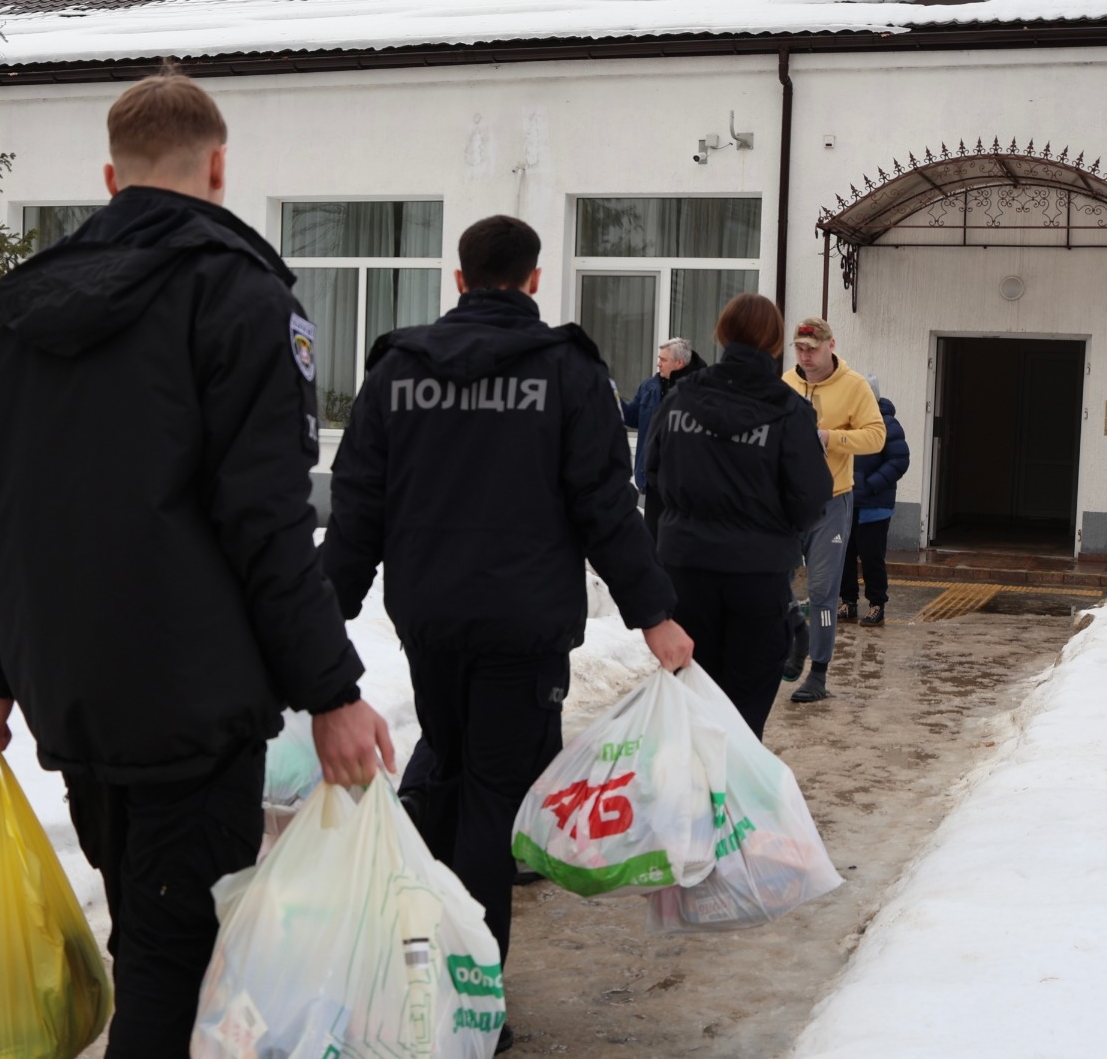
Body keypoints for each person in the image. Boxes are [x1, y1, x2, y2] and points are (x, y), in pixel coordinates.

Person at [0, 71, 393, 1059]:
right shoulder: (239, 296)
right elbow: (268, 518)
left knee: (149, 926)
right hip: (190, 699)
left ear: (113, 177)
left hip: (73, 685)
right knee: (172, 953)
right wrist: (331, 691)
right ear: (220, 166)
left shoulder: (19, 308)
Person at [318, 215, 693, 1053]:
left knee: (448, 773)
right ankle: (474, 1003)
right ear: (532, 280)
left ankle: (425, 967)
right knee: (493, 799)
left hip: (431, 619)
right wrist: (656, 614)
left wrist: (316, 624)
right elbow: (605, 503)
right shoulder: (564, 369)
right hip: (522, 628)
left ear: (458, 280)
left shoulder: (398, 368)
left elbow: (359, 505)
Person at [645, 294, 832, 739]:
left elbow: (652, 471)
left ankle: (690, 796)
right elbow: (811, 498)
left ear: (721, 334)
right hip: (757, 576)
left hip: (685, 570)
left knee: (691, 698)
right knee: (745, 704)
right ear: (773, 343)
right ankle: (730, 794)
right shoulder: (789, 410)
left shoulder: (681, 397)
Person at [780, 317, 886, 702]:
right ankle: (792, 645)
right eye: (799, 348)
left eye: (812, 348)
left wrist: (831, 437)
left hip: (831, 502)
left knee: (824, 591)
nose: (805, 355)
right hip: (787, 503)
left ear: (831, 345)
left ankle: (818, 675)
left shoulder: (855, 386)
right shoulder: (786, 384)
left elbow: (877, 436)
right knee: (772, 582)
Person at [840, 376, 910, 628]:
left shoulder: (888, 424)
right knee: (843, 557)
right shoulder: (846, 424)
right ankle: (848, 602)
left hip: (874, 506)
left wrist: (871, 484)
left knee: (872, 558)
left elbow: (899, 460)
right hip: (846, 504)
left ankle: (876, 605)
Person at [621, 337, 707, 537]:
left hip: (686, 484)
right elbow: (633, 417)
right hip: (653, 481)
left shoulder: (700, 389)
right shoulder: (650, 387)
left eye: (663, 359)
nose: (658, 363)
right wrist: (612, 397)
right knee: (653, 541)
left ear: (679, 363)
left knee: (681, 543)